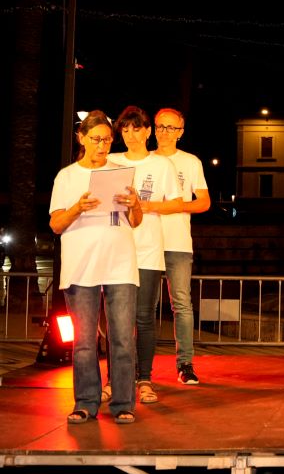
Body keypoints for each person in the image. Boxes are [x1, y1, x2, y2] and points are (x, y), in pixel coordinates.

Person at [48, 110, 143, 424]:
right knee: (85, 340)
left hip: (120, 262)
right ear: (81, 138)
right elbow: (56, 225)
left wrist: (135, 205)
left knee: (122, 338)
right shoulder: (67, 176)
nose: (102, 145)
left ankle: (123, 403)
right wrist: (78, 207)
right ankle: (86, 402)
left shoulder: (123, 171)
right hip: (81, 266)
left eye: (106, 139)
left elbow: (136, 221)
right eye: (95, 139)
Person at [107, 106, 183, 403]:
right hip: (114, 249)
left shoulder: (160, 165)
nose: (130, 135)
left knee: (143, 318)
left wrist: (142, 206)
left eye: (136, 129)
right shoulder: (111, 162)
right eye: (124, 129)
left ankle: (144, 379)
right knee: (117, 319)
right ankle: (115, 380)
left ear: (148, 131)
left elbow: (176, 203)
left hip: (149, 249)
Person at [154, 108, 211, 384]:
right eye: (160, 127)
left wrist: (175, 208)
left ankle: (185, 364)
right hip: (146, 244)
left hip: (177, 242)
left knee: (182, 304)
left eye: (170, 128)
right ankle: (139, 368)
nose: (164, 132)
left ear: (181, 132)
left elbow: (204, 201)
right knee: (143, 307)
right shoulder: (144, 160)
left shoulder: (190, 162)